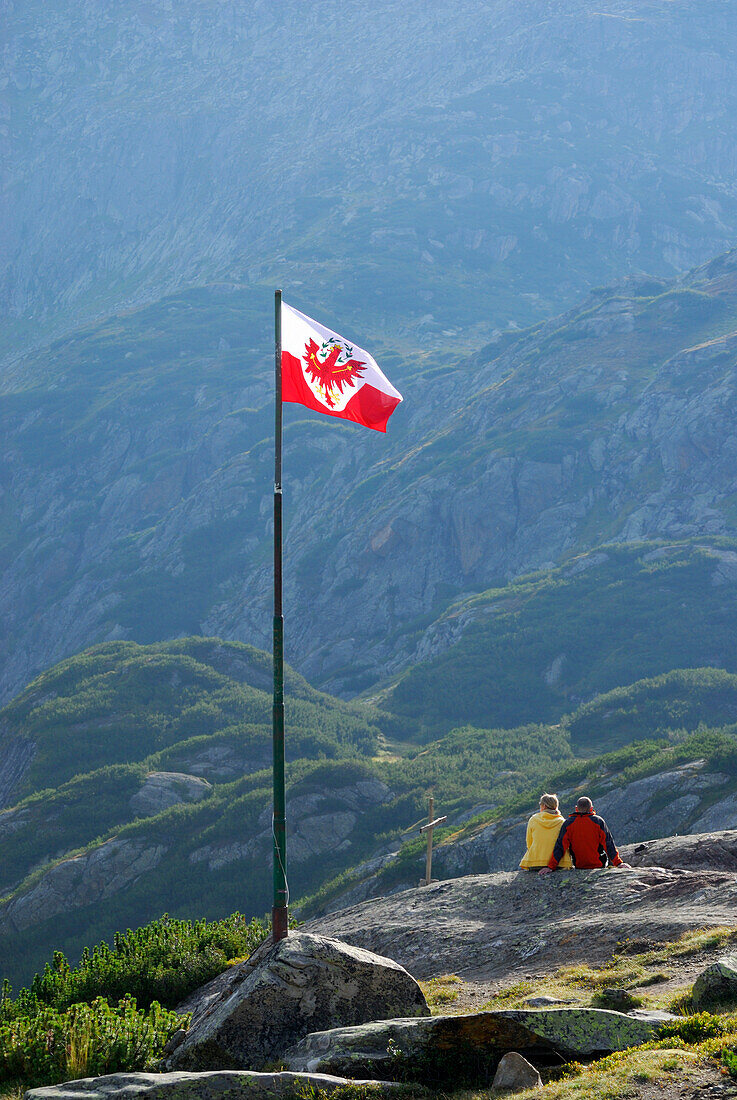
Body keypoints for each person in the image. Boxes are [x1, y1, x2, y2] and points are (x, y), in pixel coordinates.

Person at [539, 796, 630, 875]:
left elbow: (560, 846)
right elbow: (608, 844)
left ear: (576, 809)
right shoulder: (598, 821)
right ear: (591, 808)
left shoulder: (568, 823)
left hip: (579, 865)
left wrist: (551, 867)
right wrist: (619, 863)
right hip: (599, 865)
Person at [519, 793, 573, 870]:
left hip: (535, 862)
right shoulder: (562, 822)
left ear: (544, 806)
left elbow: (529, 842)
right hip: (560, 863)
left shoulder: (533, 819)